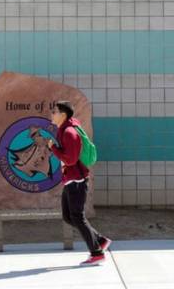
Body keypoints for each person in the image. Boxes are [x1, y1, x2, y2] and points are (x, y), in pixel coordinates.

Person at [47, 100, 112, 265]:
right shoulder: (64, 130)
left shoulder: (69, 132)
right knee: (69, 216)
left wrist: (53, 148)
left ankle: (96, 252)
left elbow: (70, 159)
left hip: (77, 180)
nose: (51, 114)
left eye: (54, 111)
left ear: (63, 115)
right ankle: (100, 240)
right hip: (70, 180)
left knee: (77, 216)